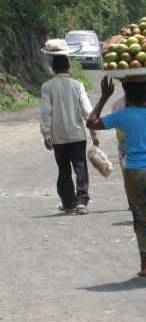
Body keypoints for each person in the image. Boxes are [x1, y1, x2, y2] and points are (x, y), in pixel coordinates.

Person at [86, 77, 146, 285]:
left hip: (132, 173)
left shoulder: (122, 116)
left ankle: (144, 266)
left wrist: (104, 97)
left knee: (139, 217)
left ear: (127, 94)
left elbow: (91, 121)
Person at [40, 54, 99, 215]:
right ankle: (81, 201)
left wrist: (46, 135)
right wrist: (94, 134)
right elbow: (87, 111)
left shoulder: (47, 86)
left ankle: (67, 202)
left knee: (63, 170)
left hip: (58, 137)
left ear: (53, 68)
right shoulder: (77, 85)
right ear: (68, 67)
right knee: (81, 168)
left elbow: (46, 112)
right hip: (77, 135)